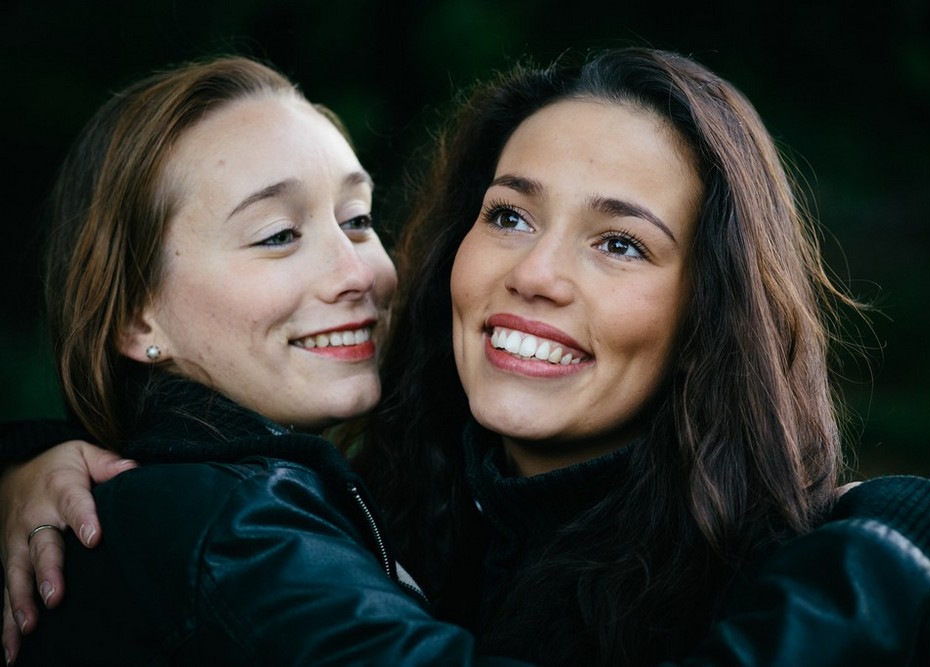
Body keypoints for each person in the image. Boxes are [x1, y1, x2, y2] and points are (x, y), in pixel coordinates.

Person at [1, 48, 930, 666]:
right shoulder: (351, 520)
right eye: (509, 215)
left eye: (620, 242)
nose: (537, 274)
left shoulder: (775, 581)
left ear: (711, 312)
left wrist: (887, 551)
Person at [0, 53, 537, 666]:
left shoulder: (209, 496)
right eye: (278, 235)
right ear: (134, 317)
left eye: (358, 220)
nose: (356, 272)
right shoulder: (233, 520)